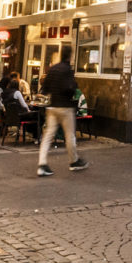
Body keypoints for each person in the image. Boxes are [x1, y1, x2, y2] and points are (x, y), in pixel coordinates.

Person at [37, 46, 88, 176]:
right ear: (69, 56)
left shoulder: (53, 69)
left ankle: (42, 164)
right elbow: (70, 88)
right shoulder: (67, 70)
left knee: (48, 135)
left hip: (52, 107)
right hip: (65, 107)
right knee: (69, 135)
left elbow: (46, 87)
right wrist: (73, 87)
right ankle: (73, 161)